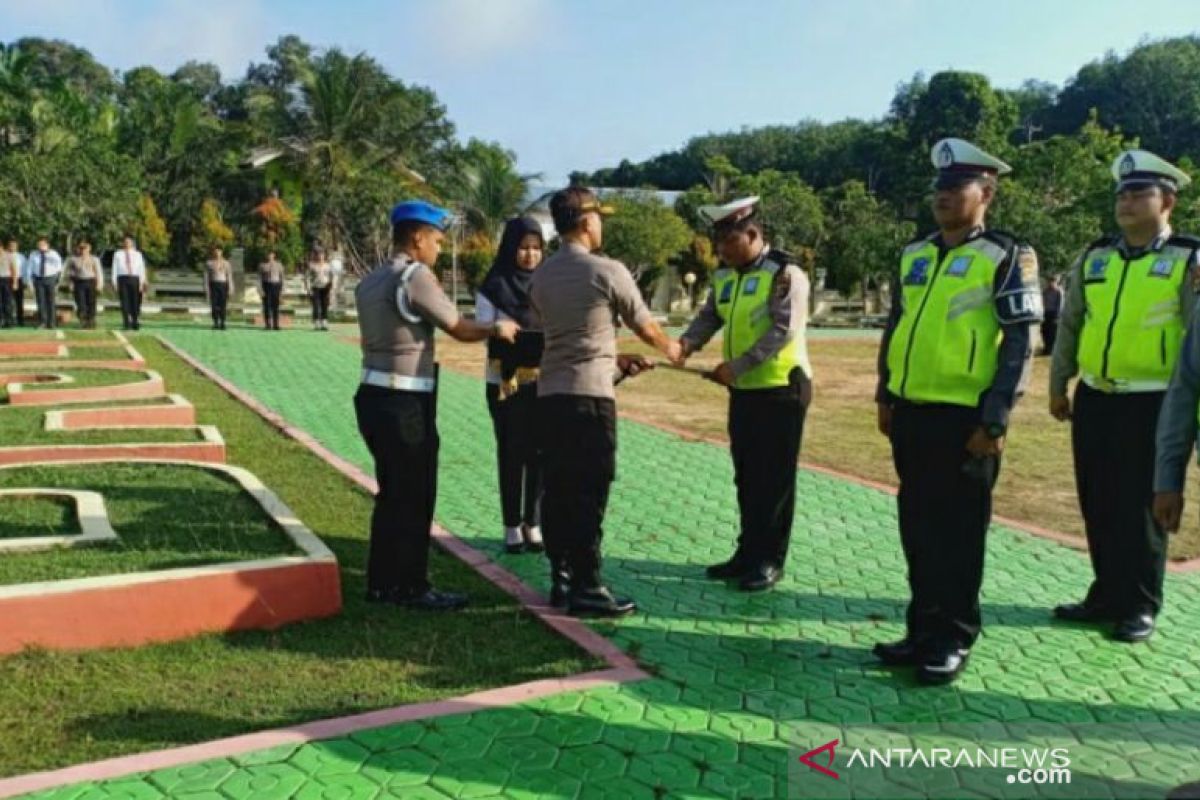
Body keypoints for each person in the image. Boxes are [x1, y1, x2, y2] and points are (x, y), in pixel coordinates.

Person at [873, 138, 1042, 685]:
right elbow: (897, 326)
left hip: (967, 421)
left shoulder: (1007, 255)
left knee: (960, 534)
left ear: (986, 192)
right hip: (913, 414)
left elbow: (1020, 341)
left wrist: (995, 419)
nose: (942, 196)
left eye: (955, 187)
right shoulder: (915, 253)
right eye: (938, 188)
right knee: (917, 529)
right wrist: (886, 393)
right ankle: (921, 629)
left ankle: (954, 636)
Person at [1050, 150, 1197, 643]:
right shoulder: (1096, 257)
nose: (1127, 201)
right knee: (1099, 499)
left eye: (1139, 193)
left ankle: (1141, 601)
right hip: (1097, 396)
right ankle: (1107, 592)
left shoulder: (1187, 260)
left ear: (1168, 201)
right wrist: (1059, 383)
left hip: (1154, 402)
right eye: (1122, 193)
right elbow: (1070, 325)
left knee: (1144, 506)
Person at [354, 200, 519, 611]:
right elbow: (459, 328)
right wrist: (496, 327)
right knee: (414, 493)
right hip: (406, 400)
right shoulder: (415, 276)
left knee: (392, 493)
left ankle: (382, 582)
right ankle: (410, 586)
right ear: (417, 238)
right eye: (437, 240)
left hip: (373, 394)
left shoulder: (371, 280)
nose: (440, 249)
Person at [531, 187, 680, 618]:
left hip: (552, 393)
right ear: (586, 221)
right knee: (590, 490)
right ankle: (588, 585)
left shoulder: (542, 275)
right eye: (600, 217)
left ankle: (560, 577)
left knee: (558, 489)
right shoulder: (607, 270)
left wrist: (614, 359)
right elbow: (646, 325)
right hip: (589, 401)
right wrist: (672, 349)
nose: (603, 225)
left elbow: (572, 334)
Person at [675, 196, 813, 592]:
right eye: (719, 243)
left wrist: (736, 366)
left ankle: (770, 559)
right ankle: (747, 552)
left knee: (775, 481)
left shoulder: (785, 274)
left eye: (729, 242)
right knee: (747, 477)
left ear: (753, 234)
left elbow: (783, 330)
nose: (722, 251)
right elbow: (710, 315)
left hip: (782, 388)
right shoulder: (725, 276)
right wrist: (687, 344)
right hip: (745, 392)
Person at [476, 216, 547, 554]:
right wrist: (499, 329)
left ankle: (533, 522)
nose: (530, 255)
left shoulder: (548, 285)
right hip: (506, 383)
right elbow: (482, 328)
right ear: (510, 248)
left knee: (540, 455)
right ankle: (510, 525)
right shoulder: (494, 285)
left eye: (536, 249)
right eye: (523, 248)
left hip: (544, 382)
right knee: (511, 453)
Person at [65, 240, 103, 328]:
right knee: (80, 303)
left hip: (91, 281)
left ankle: (91, 320)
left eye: (85, 248)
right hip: (79, 282)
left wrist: (99, 284)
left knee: (91, 302)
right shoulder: (74, 259)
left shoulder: (94, 259)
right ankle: (83, 321)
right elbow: (71, 273)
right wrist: (70, 284)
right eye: (81, 248)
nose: (83, 250)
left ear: (89, 249)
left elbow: (98, 272)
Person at [27, 238, 64, 329]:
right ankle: (42, 322)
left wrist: (57, 281)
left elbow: (59, 268)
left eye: (42, 244)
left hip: (50, 279)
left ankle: (52, 323)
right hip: (38, 279)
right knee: (40, 302)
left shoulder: (53, 254)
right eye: (39, 244)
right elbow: (30, 268)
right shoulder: (33, 254)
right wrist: (29, 281)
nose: (40, 246)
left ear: (47, 245)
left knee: (51, 301)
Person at [112, 236, 147, 330]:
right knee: (124, 301)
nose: (127, 244)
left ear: (132, 243)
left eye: (129, 242)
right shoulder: (118, 254)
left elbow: (141, 269)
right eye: (125, 242)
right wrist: (114, 282)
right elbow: (114, 268)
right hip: (122, 278)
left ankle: (135, 320)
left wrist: (142, 282)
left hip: (135, 278)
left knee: (135, 301)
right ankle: (126, 322)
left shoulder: (138, 254)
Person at [205, 247, 233, 330]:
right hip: (213, 284)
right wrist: (206, 288)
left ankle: (223, 322)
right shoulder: (209, 263)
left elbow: (229, 276)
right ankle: (215, 322)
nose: (217, 253)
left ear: (222, 252)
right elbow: (206, 277)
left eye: (219, 251)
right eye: (216, 251)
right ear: (213, 252)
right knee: (214, 304)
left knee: (223, 304)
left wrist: (230, 287)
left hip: (223, 284)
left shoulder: (226, 263)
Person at [305, 247, 334, 331]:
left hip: (326, 287)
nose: (320, 256)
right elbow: (307, 277)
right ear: (316, 256)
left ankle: (324, 321)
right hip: (316, 287)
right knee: (316, 305)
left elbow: (331, 276)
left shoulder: (328, 266)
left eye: (322, 255)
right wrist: (308, 288)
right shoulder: (312, 265)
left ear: (324, 256)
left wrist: (331, 287)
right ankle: (316, 322)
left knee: (325, 304)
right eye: (319, 255)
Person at [260, 250, 285, 330]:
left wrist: (282, 290)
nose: (269, 256)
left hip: (276, 285)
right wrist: (261, 290)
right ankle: (268, 324)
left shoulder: (279, 265)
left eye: (271, 254)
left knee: (276, 306)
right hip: (266, 285)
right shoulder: (262, 265)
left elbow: (282, 278)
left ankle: (276, 324)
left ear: (274, 255)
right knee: (266, 306)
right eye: (268, 254)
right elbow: (259, 279)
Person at [1041, 274, 1063, 355]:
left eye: (1053, 281)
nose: (1051, 283)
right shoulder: (1045, 291)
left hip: (1054, 314)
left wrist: (1057, 316)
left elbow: (1060, 304)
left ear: (1056, 282)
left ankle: (1052, 350)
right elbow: (1042, 302)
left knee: (1053, 333)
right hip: (1046, 313)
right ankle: (1046, 347)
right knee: (1044, 331)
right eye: (1050, 281)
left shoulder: (1059, 292)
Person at [0, 239, 20, 328]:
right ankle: (2, 320)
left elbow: (14, 270)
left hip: (6, 279)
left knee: (7, 301)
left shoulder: (9, 256)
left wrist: (15, 282)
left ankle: (10, 321)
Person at [9, 239, 27, 327]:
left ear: (17, 246)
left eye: (14, 245)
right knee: (8, 301)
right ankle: (10, 320)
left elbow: (24, 270)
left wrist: (24, 281)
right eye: (11, 245)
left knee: (19, 301)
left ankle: (20, 320)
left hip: (19, 279)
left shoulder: (21, 257)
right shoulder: (5, 256)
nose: (12, 247)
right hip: (7, 279)